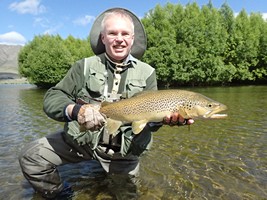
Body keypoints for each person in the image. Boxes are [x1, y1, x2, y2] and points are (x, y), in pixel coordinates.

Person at [19, 8, 193, 199]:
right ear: (103, 38)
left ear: (132, 38)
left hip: (124, 152)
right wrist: (75, 110)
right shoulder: (83, 66)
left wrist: (163, 120)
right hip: (82, 143)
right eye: (112, 33)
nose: (119, 39)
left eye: (125, 33)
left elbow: (149, 121)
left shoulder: (148, 73)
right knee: (31, 157)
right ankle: (62, 195)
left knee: (126, 195)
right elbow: (53, 96)